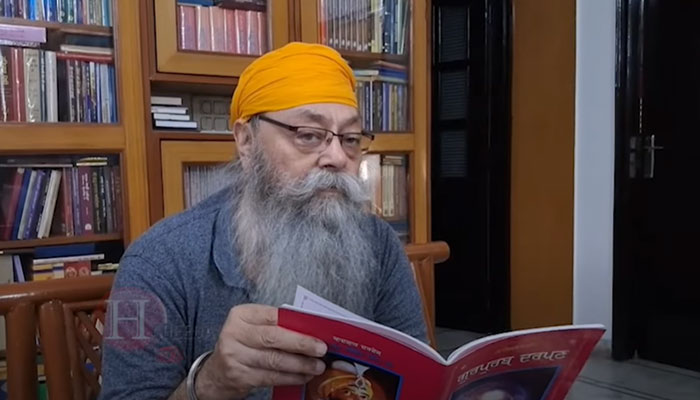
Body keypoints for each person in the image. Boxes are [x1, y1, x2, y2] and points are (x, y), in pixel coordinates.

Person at [99, 42, 427, 400]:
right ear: (246, 141)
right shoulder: (158, 261)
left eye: (350, 139)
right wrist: (211, 382)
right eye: (308, 135)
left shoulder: (377, 243)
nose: (337, 157)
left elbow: (418, 378)